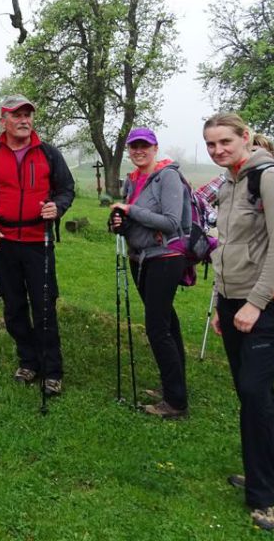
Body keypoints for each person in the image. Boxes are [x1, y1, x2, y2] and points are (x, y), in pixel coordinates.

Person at [203, 112, 274, 533]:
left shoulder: (270, 179)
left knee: (253, 390)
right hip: (234, 299)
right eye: (210, 144)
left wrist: (255, 304)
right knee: (256, 390)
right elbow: (227, 248)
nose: (218, 150)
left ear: (246, 137)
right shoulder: (230, 182)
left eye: (225, 141)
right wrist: (221, 305)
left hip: (271, 302)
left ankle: (263, 498)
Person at [0, 95, 75, 396]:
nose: (24, 120)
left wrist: (58, 206)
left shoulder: (49, 155)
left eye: (28, 114)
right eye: (17, 115)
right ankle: (28, 361)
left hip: (38, 242)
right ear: (4, 121)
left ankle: (52, 370)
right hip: (3, 244)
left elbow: (66, 189)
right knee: (13, 308)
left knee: (44, 307)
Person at [109, 127, 190, 419]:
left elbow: (171, 222)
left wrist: (129, 210)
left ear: (155, 148)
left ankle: (176, 403)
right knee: (168, 322)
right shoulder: (134, 180)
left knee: (157, 328)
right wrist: (120, 223)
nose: (138, 151)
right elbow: (135, 220)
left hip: (165, 258)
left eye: (144, 146)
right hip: (142, 257)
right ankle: (174, 386)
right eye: (133, 147)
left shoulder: (167, 176)